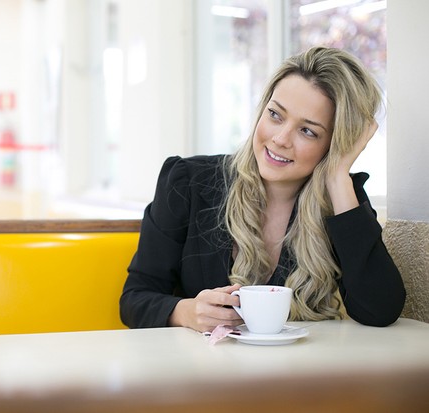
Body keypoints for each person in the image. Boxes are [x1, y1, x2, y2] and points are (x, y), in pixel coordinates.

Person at [119, 46, 406, 332]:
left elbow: (380, 309)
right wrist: (187, 312)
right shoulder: (187, 181)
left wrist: (336, 176)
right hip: (203, 372)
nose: (280, 139)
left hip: (301, 374)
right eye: (275, 115)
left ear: (334, 144)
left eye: (308, 131)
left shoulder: (341, 201)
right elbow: (135, 299)